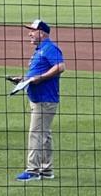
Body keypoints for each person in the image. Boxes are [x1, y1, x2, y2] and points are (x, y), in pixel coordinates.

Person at [9, 19, 65, 182]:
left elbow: (60, 67)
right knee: (44, 135)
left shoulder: (50, 48)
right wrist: (24, 79)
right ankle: (46, 170)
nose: (29, 33)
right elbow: (38, 72)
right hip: (39, 98)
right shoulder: (41, 49)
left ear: (42, 32)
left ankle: (32, 170)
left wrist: (39, 77)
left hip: (44, 99)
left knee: (36, 134)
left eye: (32, 31)